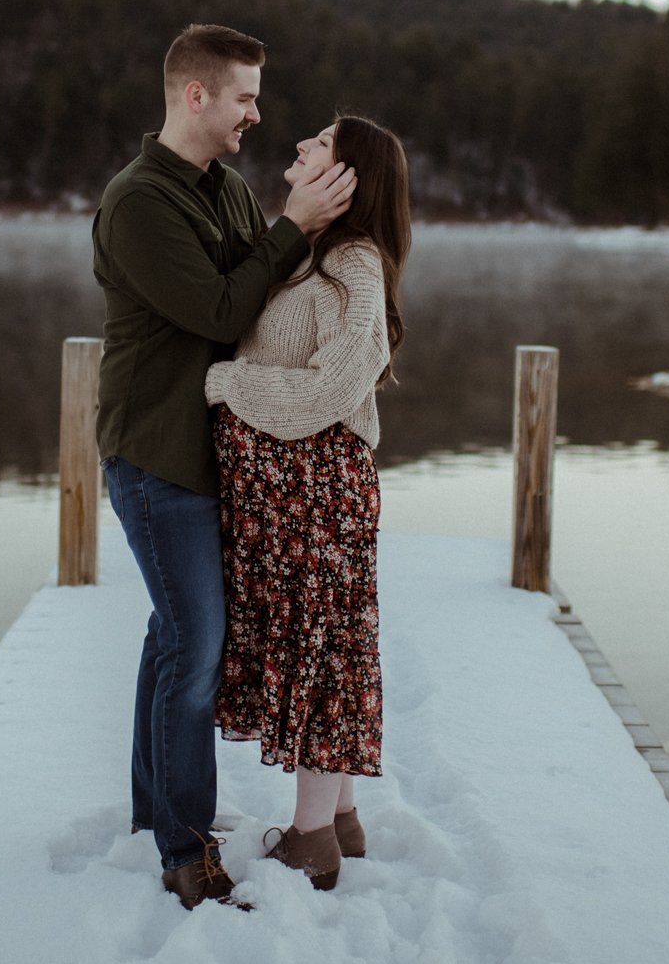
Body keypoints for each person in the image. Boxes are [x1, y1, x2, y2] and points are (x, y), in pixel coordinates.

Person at [92, 23, 356, 910]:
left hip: (204, 461)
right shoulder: (139, 201)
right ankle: (183, 851)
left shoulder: (227, 192)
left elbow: (263, 291)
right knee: (196, 651)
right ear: (195, 94)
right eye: (244, 95)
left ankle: (149, 816)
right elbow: (215, 307)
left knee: (173, 637)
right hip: (157, 454)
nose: (256, 112)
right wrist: (293, 226)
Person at [204, 113, 412, 893]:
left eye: (319, 143)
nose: (299, 146)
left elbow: (332, 388)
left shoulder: (356, 264)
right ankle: (344, 816)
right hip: (284, 500)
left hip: (316, 494)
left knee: (321, 652)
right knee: (319, 643)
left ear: (348, 176)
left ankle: (311, 835)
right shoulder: (306, 256)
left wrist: (225, 384)